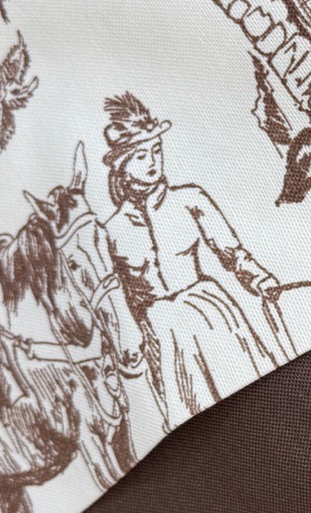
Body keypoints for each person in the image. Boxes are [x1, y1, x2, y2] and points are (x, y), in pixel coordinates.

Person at [101, 93, 280, 425]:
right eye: (141, 155)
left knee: (256, 394)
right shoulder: (110, 231)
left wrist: (259, 279)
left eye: (157, 150)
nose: (153, 161)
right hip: (161, 332)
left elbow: (231, 252)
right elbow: (122, 298)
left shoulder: (189, 199)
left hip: (209, 312)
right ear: (122, 166)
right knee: (195, 419)